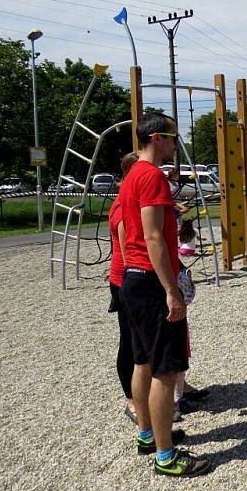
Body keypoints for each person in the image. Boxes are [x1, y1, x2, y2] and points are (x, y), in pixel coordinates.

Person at [117, 112, 210, 478]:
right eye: (172, 137)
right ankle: (165, 454)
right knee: (165, 370)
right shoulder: (152, 176)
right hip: (153, 283)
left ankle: (147, 434)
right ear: (157, 138)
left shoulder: (131, 177)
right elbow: (154, 236)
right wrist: (171, 289)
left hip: (134, 278)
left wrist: (133, 272)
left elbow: (128, 235)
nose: (176, 144)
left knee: (142, 362)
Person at [108, 151, 139, 424]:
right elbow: (129, 253)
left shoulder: (132, 200)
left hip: (134, 279)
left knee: (142, 342)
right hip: (125, 281)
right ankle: (131, 399)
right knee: (130, 342)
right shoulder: (121, 207)